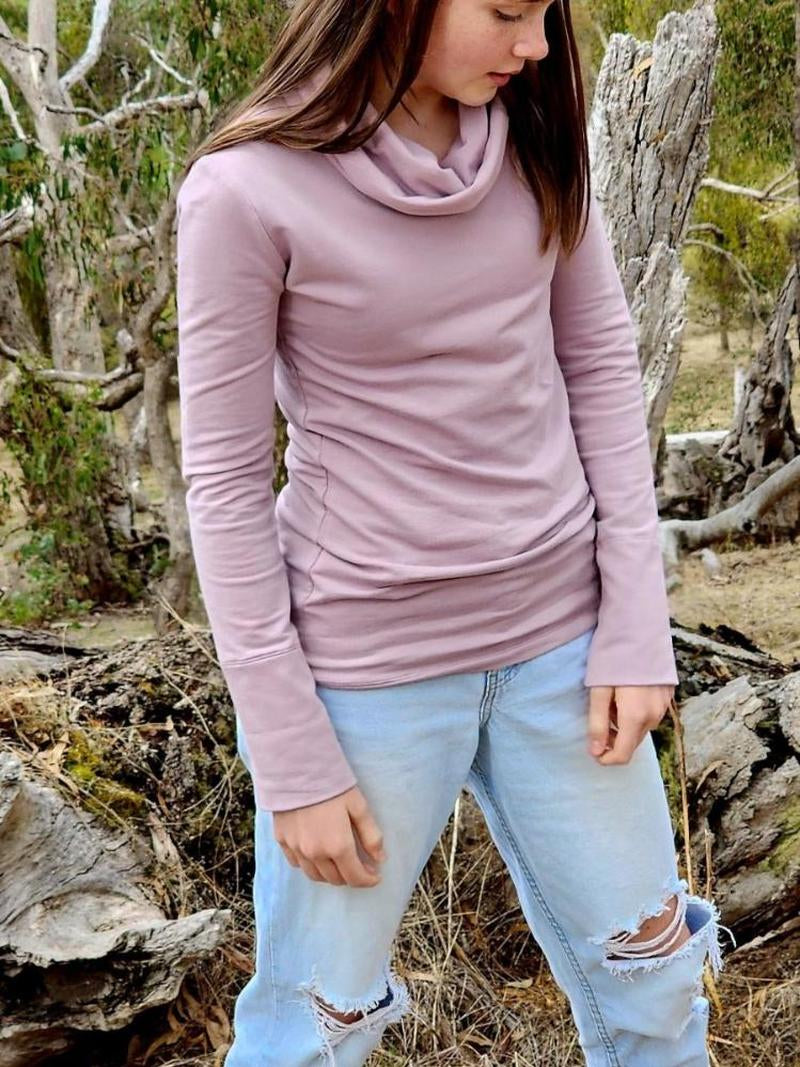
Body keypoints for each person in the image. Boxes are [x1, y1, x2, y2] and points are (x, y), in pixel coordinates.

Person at [175, 0, 733, 1063]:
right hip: (363, 681)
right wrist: (291, 756)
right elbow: (228, 483)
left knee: (656, 986)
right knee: (313, 1030)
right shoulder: (244, 193)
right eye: (508, 13)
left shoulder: (531, 136)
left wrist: (633, 623)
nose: (534, 45)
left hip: (564, 655)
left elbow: (602, 374)